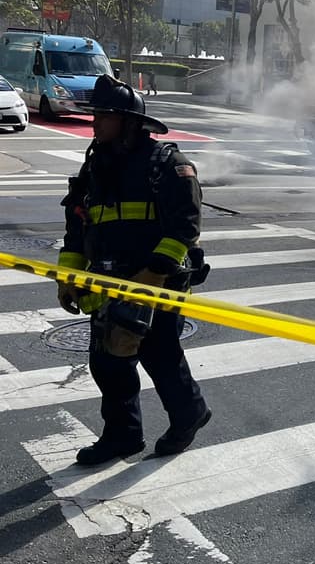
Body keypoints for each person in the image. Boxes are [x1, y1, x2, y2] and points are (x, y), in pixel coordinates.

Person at [56, 74, 212, 466]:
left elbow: (185, 227)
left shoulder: (166, 164)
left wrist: (154, 275)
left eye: (105, 116)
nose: (96, 123)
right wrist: (69, 277)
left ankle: (189, 415)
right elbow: (77, 225)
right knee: (107, 362)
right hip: (107, 282)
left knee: (159, 355)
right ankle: (122, 436)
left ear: (128, 121)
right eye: (96, 116)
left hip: (155, 283)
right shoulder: (96, 167)